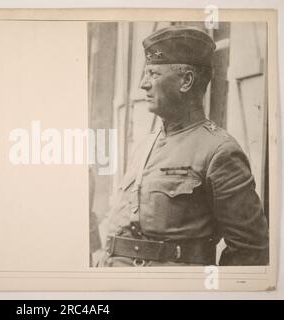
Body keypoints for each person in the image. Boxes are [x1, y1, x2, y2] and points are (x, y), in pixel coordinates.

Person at [99, 25, 269, 267]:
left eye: (153, 74)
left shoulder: (219, 152)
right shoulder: (146, 144)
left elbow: (250, 248)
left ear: (186, 80)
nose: (143, 85)